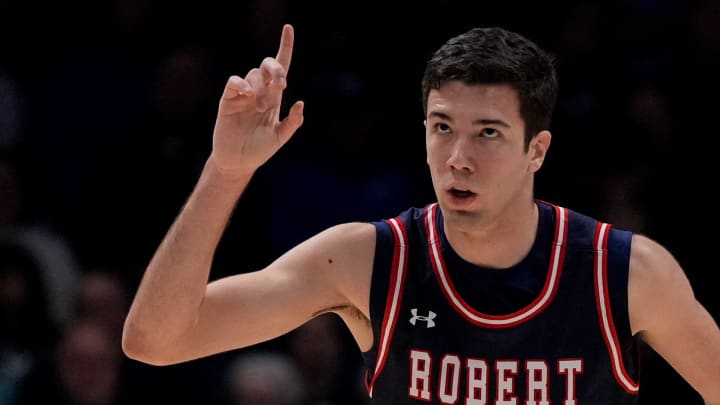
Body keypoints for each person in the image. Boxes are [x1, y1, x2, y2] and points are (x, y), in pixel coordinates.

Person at [121, 24, 720, 404]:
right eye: (442, 128)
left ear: (536, 149)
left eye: (487, 132)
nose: (458, 158)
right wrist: (226, 173)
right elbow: (156, 341)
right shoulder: (364, 259)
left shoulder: (625, 272)